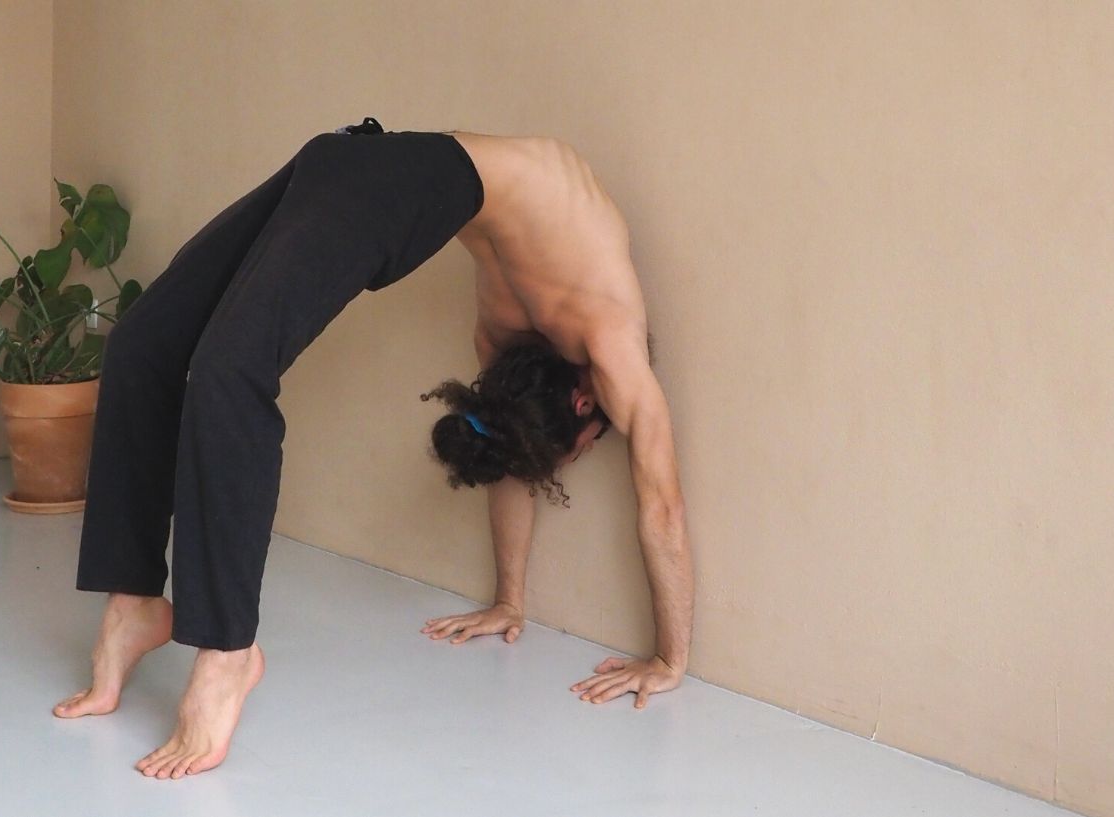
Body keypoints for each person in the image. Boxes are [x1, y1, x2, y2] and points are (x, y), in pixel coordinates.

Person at [52, 118, 692, 782]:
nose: (577, 455)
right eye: (584, 449)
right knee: (224, 368)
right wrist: (672, 659)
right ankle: (227, 652)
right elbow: (664, 508)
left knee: (147, 344)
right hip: (384, 171)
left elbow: (510, 461)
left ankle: (136, 606)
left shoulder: (513, 329)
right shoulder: (614, 339)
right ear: (588, 404)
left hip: (351, 158)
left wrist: (510, 600)